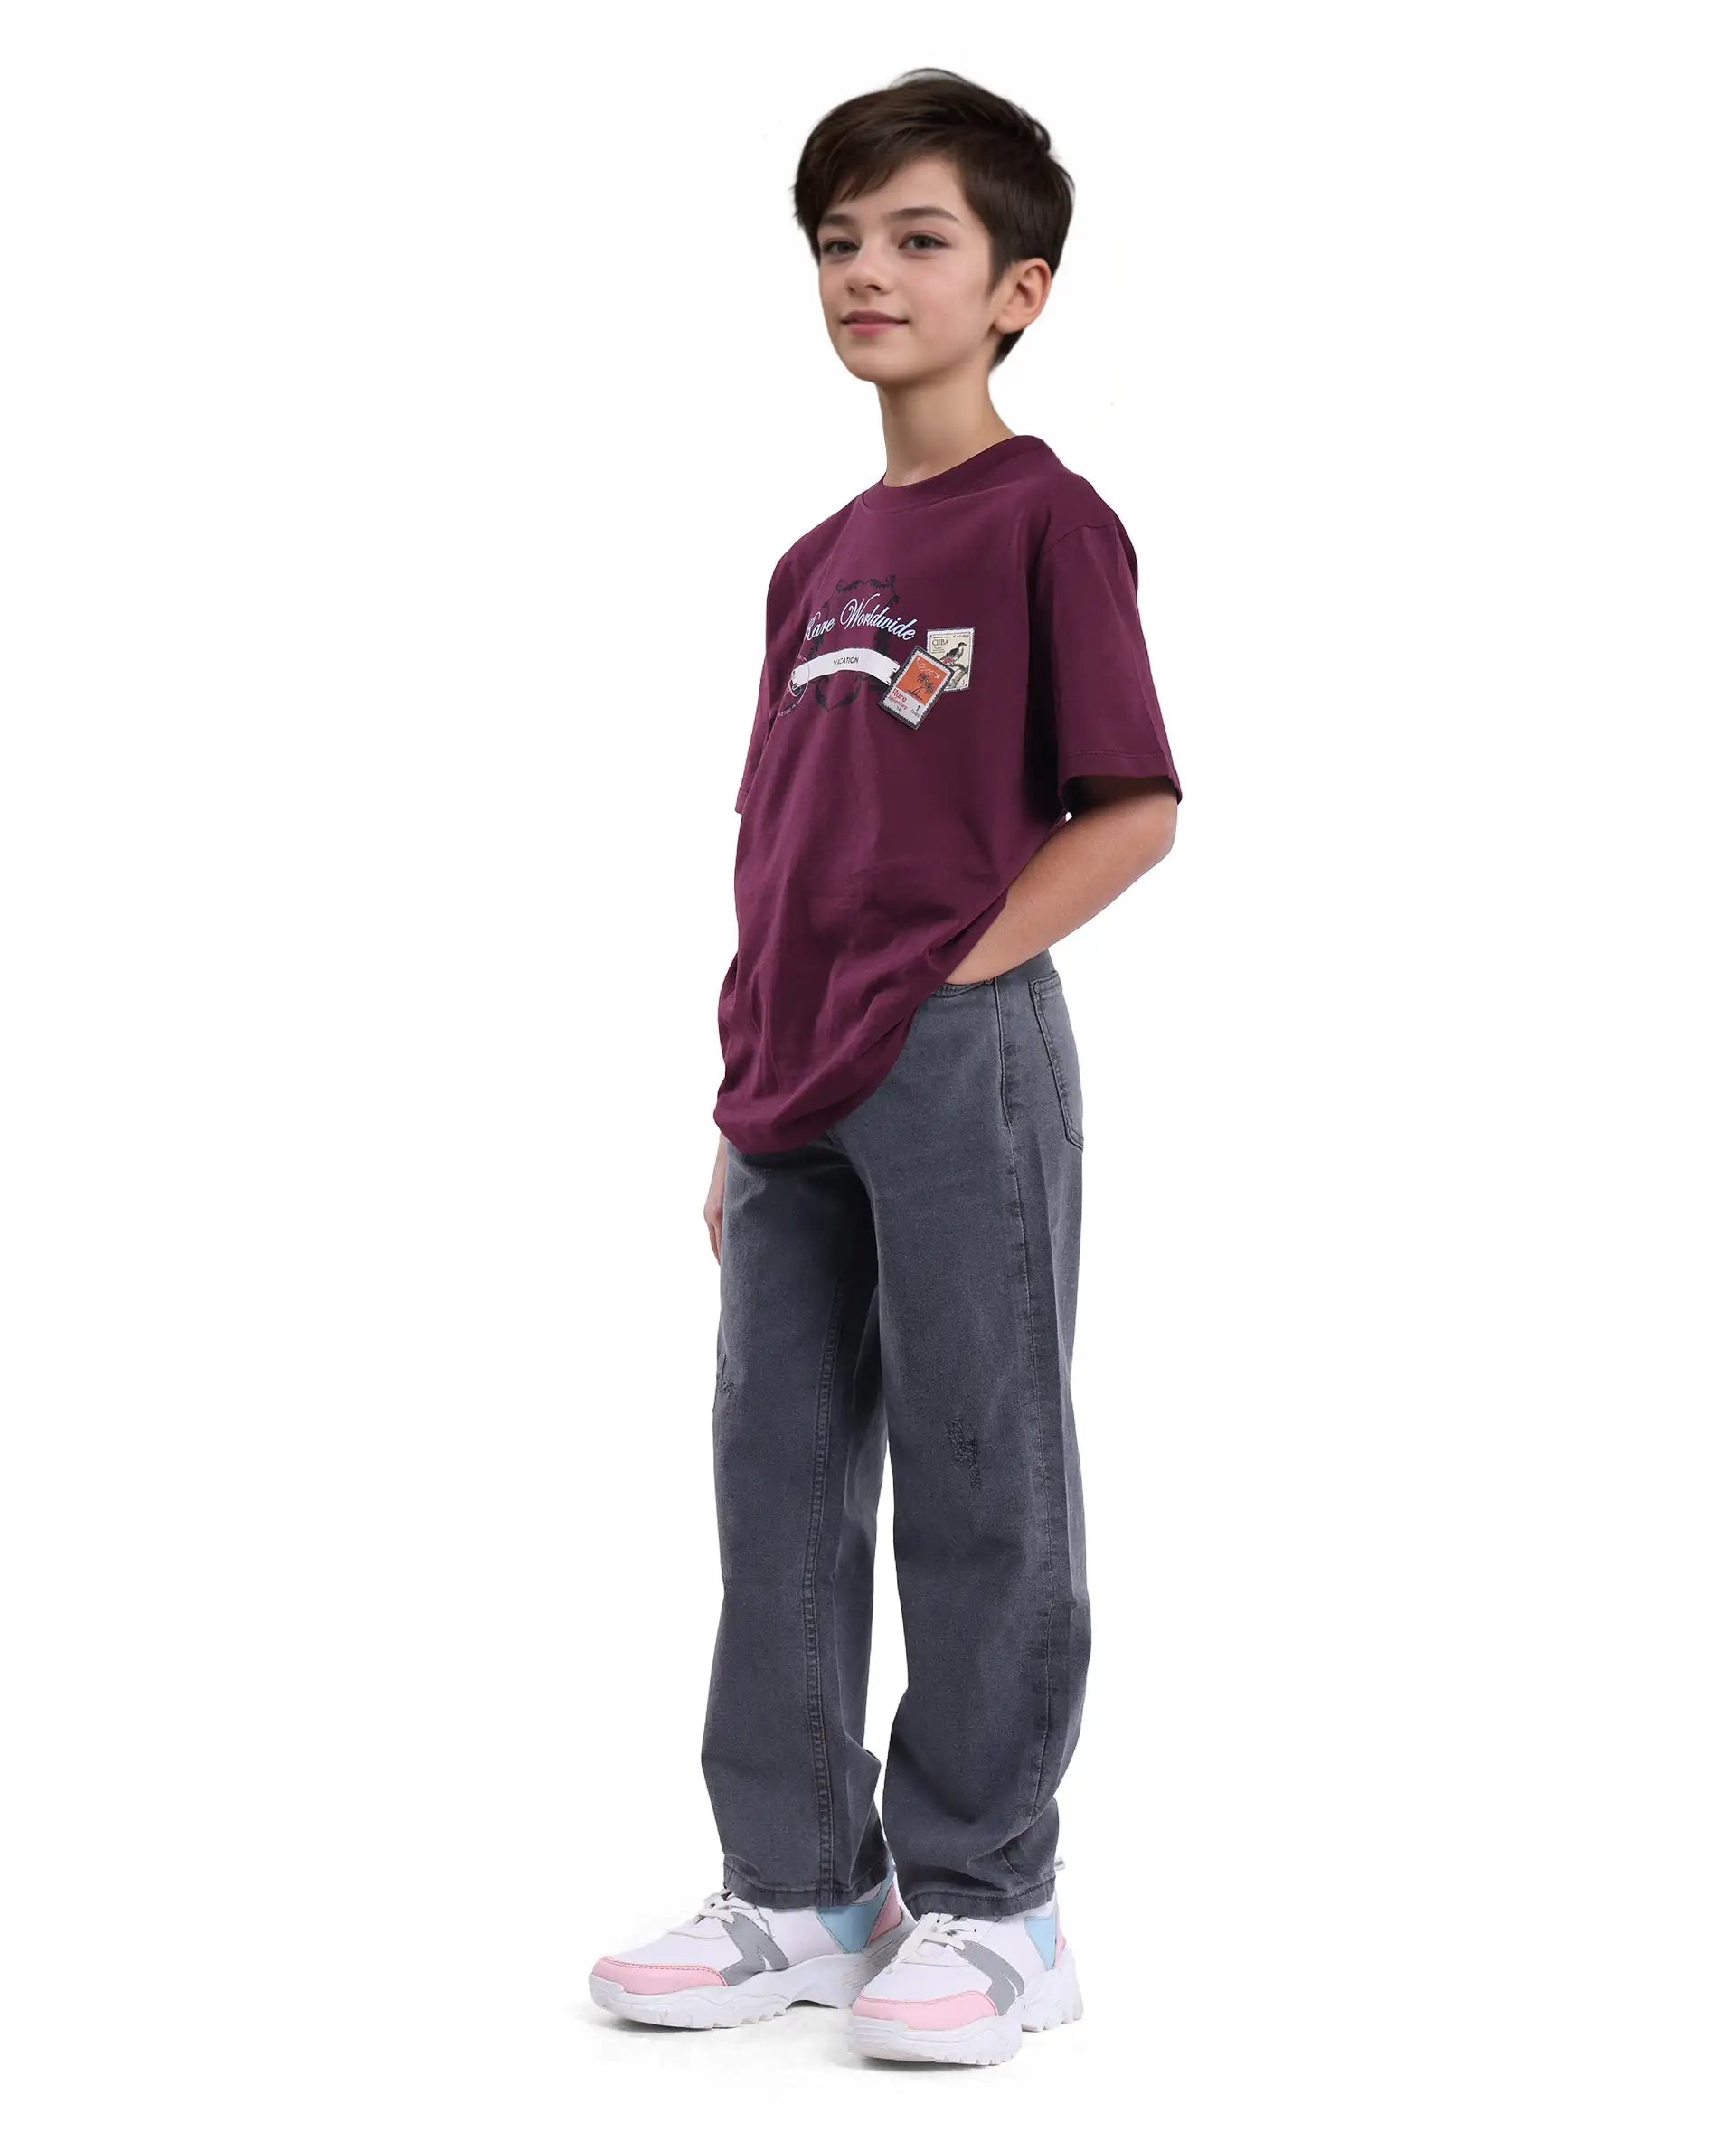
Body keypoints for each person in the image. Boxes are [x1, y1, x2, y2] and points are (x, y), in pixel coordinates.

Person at [590, 67, 1183, 2068]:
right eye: (839, 239)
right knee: (775, 1479)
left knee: (980, 1466)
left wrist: (949, 977)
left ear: (1019, 289)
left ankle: (998, 1902)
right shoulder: (815, 560)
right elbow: (782, 837)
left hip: (953, 1052)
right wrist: (746, 1084)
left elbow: (1132, 805)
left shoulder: (1047, 522)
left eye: (919, 238)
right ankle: (800, 1883)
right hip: (791, 1076)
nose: (867, 270)